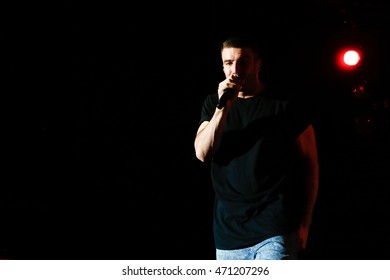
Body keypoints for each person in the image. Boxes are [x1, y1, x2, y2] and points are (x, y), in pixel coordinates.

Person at [194, 33, 319, 260]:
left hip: (275, 226)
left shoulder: (284, 105)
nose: (235, 69)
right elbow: (202, 153)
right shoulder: (214, 104)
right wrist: (224, 108)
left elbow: (311, 163)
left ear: (258, 64)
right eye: (228, 63)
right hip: (228, 230)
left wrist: (306, 223)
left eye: (243, 61)